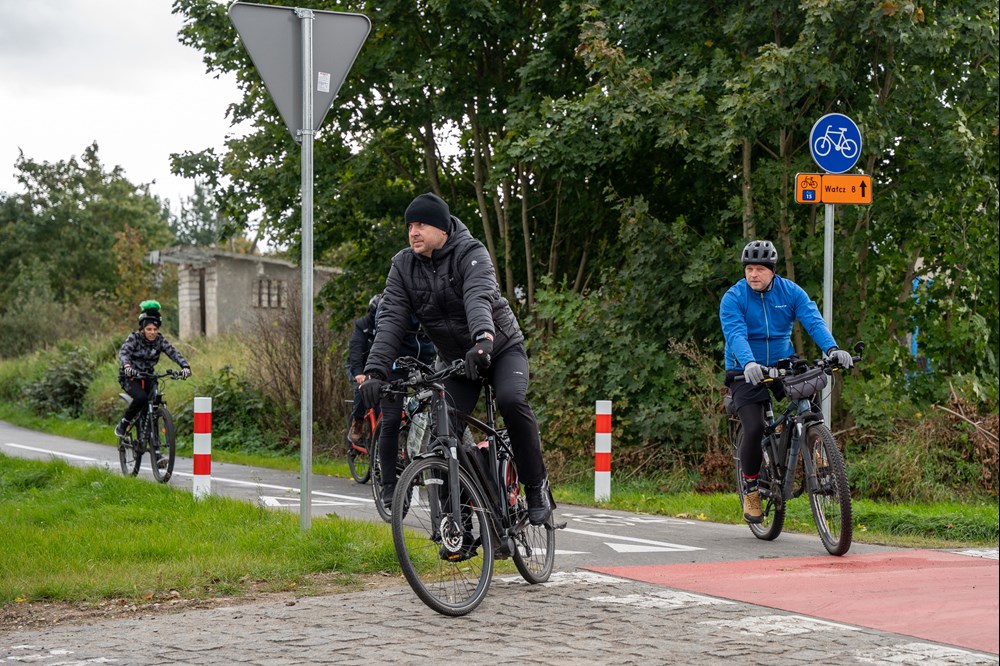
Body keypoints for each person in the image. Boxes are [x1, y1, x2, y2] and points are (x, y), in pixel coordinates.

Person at [359, 192, 552, 525]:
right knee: (443, 434)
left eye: (421, 224)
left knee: (510, 401)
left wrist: (483, 339)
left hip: (498, 348)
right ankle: (457, 524)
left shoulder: (471, 253)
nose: (413, 232)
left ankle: (536, 486)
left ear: (442, 229)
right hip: (455, 361)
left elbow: (478, 296)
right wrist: (375, 371)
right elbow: (390, 319)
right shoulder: (403, 266)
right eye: (410, 226)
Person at [720, 240, 853, 523]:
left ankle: (817, 449)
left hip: (781, 361)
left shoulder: (790, 291)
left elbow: (813, 320)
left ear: (772, 271)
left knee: (811, 390)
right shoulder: (734, 297)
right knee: (755, 427)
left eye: (759, 269)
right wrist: (749, 363)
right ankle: (751, 490)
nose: (753, 274)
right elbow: (735, 334)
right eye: (749, 269)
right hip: (744, 369)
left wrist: (832, 349)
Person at [115, 300, 191, 442]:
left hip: (148, 376)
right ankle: (124, 423)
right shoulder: (134, 338)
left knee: (155, 400)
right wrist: (127, 366)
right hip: (130, 376)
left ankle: (154, 442)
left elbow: (173, 352)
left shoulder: (159, 340)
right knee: (141, 398)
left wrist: (185, 367)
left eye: (155, 329)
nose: (152, 332)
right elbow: (124, 353)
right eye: (149, 329)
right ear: (143, 328)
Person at [346, 293, 381, 442]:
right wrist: (358, 373)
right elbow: (355, 352)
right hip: (360, 366)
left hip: (379, 369)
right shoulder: (362, 325)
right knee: (363, 387)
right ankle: (358, 421)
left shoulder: (391, 325)